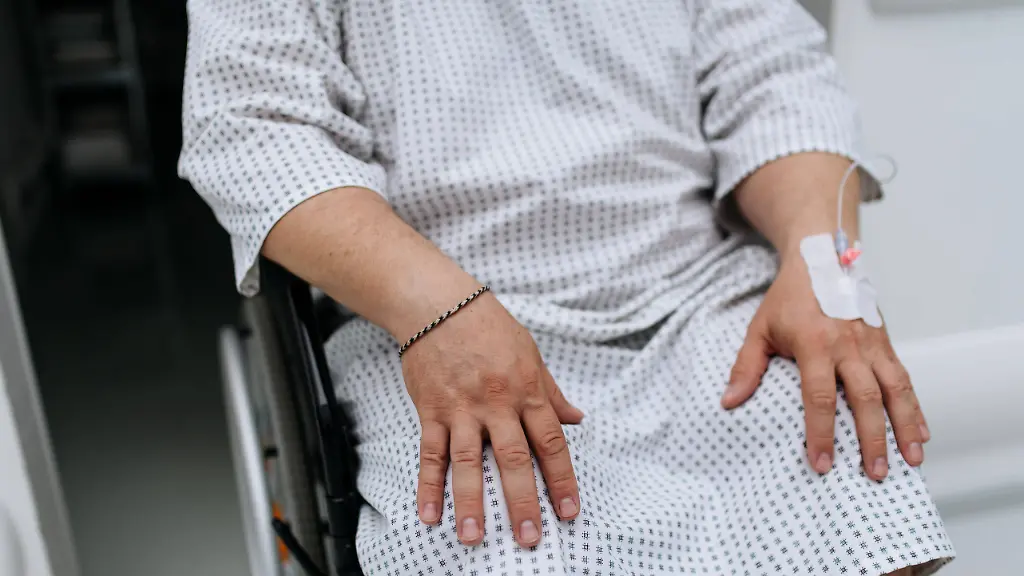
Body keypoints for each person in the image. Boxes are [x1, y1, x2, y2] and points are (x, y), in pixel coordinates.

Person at [179, 1, 955, 574]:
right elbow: (253, 126)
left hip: (697, 293)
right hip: (432, 314)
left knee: (854, 450)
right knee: (488, 527)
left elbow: (773, 77)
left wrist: (825, 265)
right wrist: (438, 310)